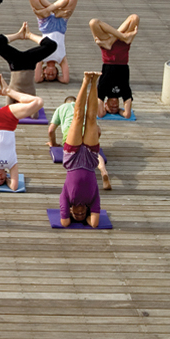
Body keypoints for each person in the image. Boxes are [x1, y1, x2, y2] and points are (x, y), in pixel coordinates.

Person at [59, 71, 104, 228]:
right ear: (87, 212)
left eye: (76, 215)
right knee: (91, 119)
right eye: (82, 215)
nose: (79, 213)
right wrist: (87, 219)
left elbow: (65, 222)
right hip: (90, 161)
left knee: (78, 117)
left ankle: (85, 81)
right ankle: (94, 82)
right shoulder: (93, 200)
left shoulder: (67, 198)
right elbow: (94, 223)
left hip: (72, 160)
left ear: (70, 210)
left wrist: (70, 215)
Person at [48, 95, 110, 190]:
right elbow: (98, 131)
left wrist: (53, 144)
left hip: (71, 132)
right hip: (87, 131)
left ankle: (76, 180)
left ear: (65, 102)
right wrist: (94, 143)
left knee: (72, 154)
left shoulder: (61, 108)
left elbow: (51, 130)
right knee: (94, 153)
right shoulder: (85, 108)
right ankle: (104, 171)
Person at [0, 22, 59, 99]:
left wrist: (18, 36)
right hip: (29, 63)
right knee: (51, 45)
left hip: (16, 63)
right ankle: (27, 35)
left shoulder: (13, 95)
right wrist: (29, 36)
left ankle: (22, 35)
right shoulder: (30, 98)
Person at [90, 14, 139, 118]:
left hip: (107, 50)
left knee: (93, 23)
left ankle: (112, 40)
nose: (114, 107)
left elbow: (100, 114)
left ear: (105, 104)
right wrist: (120, 111)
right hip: (123, 47)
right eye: (115, 108)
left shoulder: (103, 91)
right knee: (135, 18)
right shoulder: (124, 92)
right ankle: (118, 37)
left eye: (111, 108)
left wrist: (105, 110)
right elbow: (127, 114)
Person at [29, 0, 77, 84]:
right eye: (53, 75)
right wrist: (58, 78)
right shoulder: (61, 59)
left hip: (45, 25)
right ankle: (54, 10)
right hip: (61, 24)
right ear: (56, 72)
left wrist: (43, 77)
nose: (51, 73)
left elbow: (37, 79)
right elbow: (65, 80)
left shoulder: (42, 58)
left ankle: (50, 9)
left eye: (48, 74)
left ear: (44, 71)